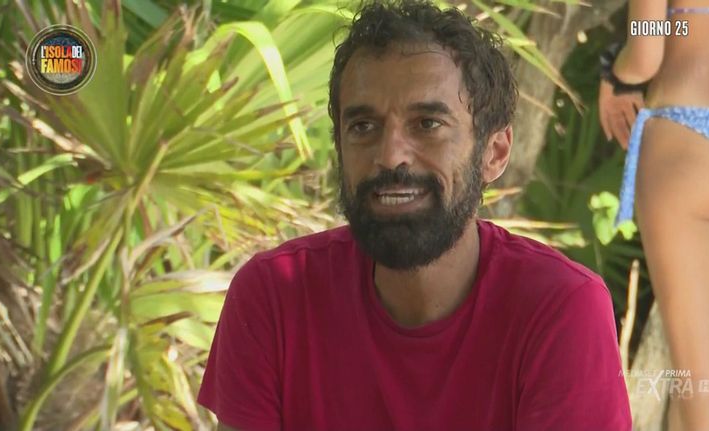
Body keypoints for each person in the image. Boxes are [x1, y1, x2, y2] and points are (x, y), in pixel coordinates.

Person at [198, 1, 632, 430]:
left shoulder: (560, 308)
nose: (390, 156)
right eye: (363, 127)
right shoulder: (273, 297)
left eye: (427, 124)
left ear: (495, 153)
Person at [598, 0, 709, 430]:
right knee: (704, 366)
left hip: (688, 134)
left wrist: (616, 72)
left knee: (702, 384)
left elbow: (647, 51)